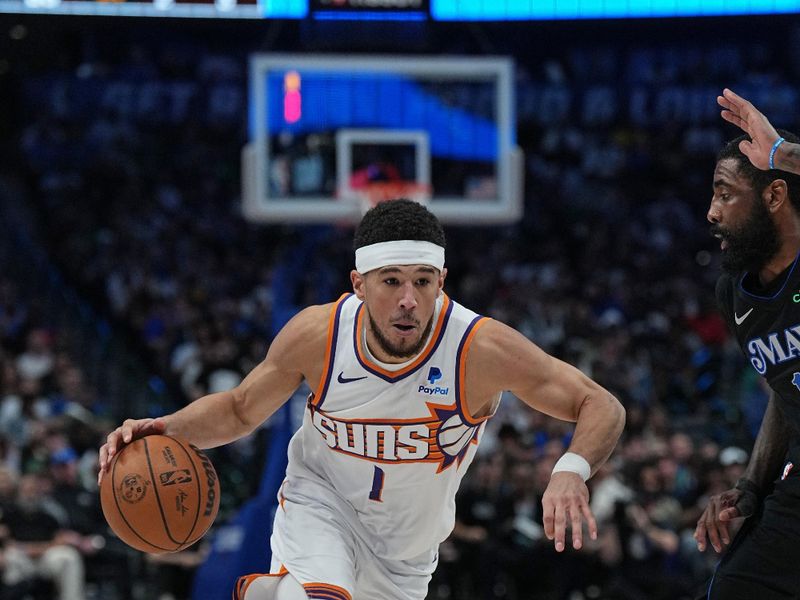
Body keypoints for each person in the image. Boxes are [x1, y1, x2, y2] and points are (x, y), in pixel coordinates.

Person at [99, 199, 626, 600]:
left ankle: (277, 594)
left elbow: (600, 403)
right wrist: (165, 428)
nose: (407, 300)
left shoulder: (480, 348)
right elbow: (239, 409)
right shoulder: (318, 335)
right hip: (321, 503)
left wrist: (570, 470)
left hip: (406, 556)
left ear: (442, 281)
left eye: (423, 282)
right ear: (358, 283)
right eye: (391, 281)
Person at [694, 93, 800, 598]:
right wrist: (752, 486)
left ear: (774, 196)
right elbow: (786, 389)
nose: (711, 212)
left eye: (725, 194)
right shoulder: (734, 292)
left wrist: (783, 152)